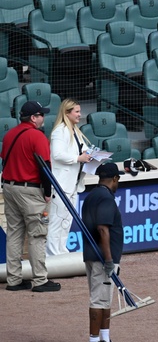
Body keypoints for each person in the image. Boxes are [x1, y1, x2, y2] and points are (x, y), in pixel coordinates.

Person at [2, 101, 59, 293]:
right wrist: (48, 193)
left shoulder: (10, 134)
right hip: (30, 190)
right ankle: (40, 280)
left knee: (14, 233)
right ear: (33, 118)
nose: (44, 117)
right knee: (37, 234)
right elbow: (45, 168)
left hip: (9, 187)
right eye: (41, 114)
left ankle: (14, 279)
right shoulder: (37, 136)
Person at [81, 162, 126, 342]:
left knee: (104, 299)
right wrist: (109, 260)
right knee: (99, 300)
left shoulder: (91, 196)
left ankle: (105, 339)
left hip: (92, 255)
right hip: (102, 258)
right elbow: (102, 229)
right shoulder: (107, 198)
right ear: (114, 179)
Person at [47, 99, 95, 256]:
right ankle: (52, 255)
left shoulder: (76, 131)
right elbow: (57, 154)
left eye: (80, 111)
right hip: (61, 184)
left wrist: (94, 155)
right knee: (57, 220)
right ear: (67, 113)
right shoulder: (59, 131)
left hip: (74, 184)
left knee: (67, 220)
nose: (80, 115)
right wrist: (78, 158)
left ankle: (61, 251)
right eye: (77, 112)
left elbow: (85, 151)